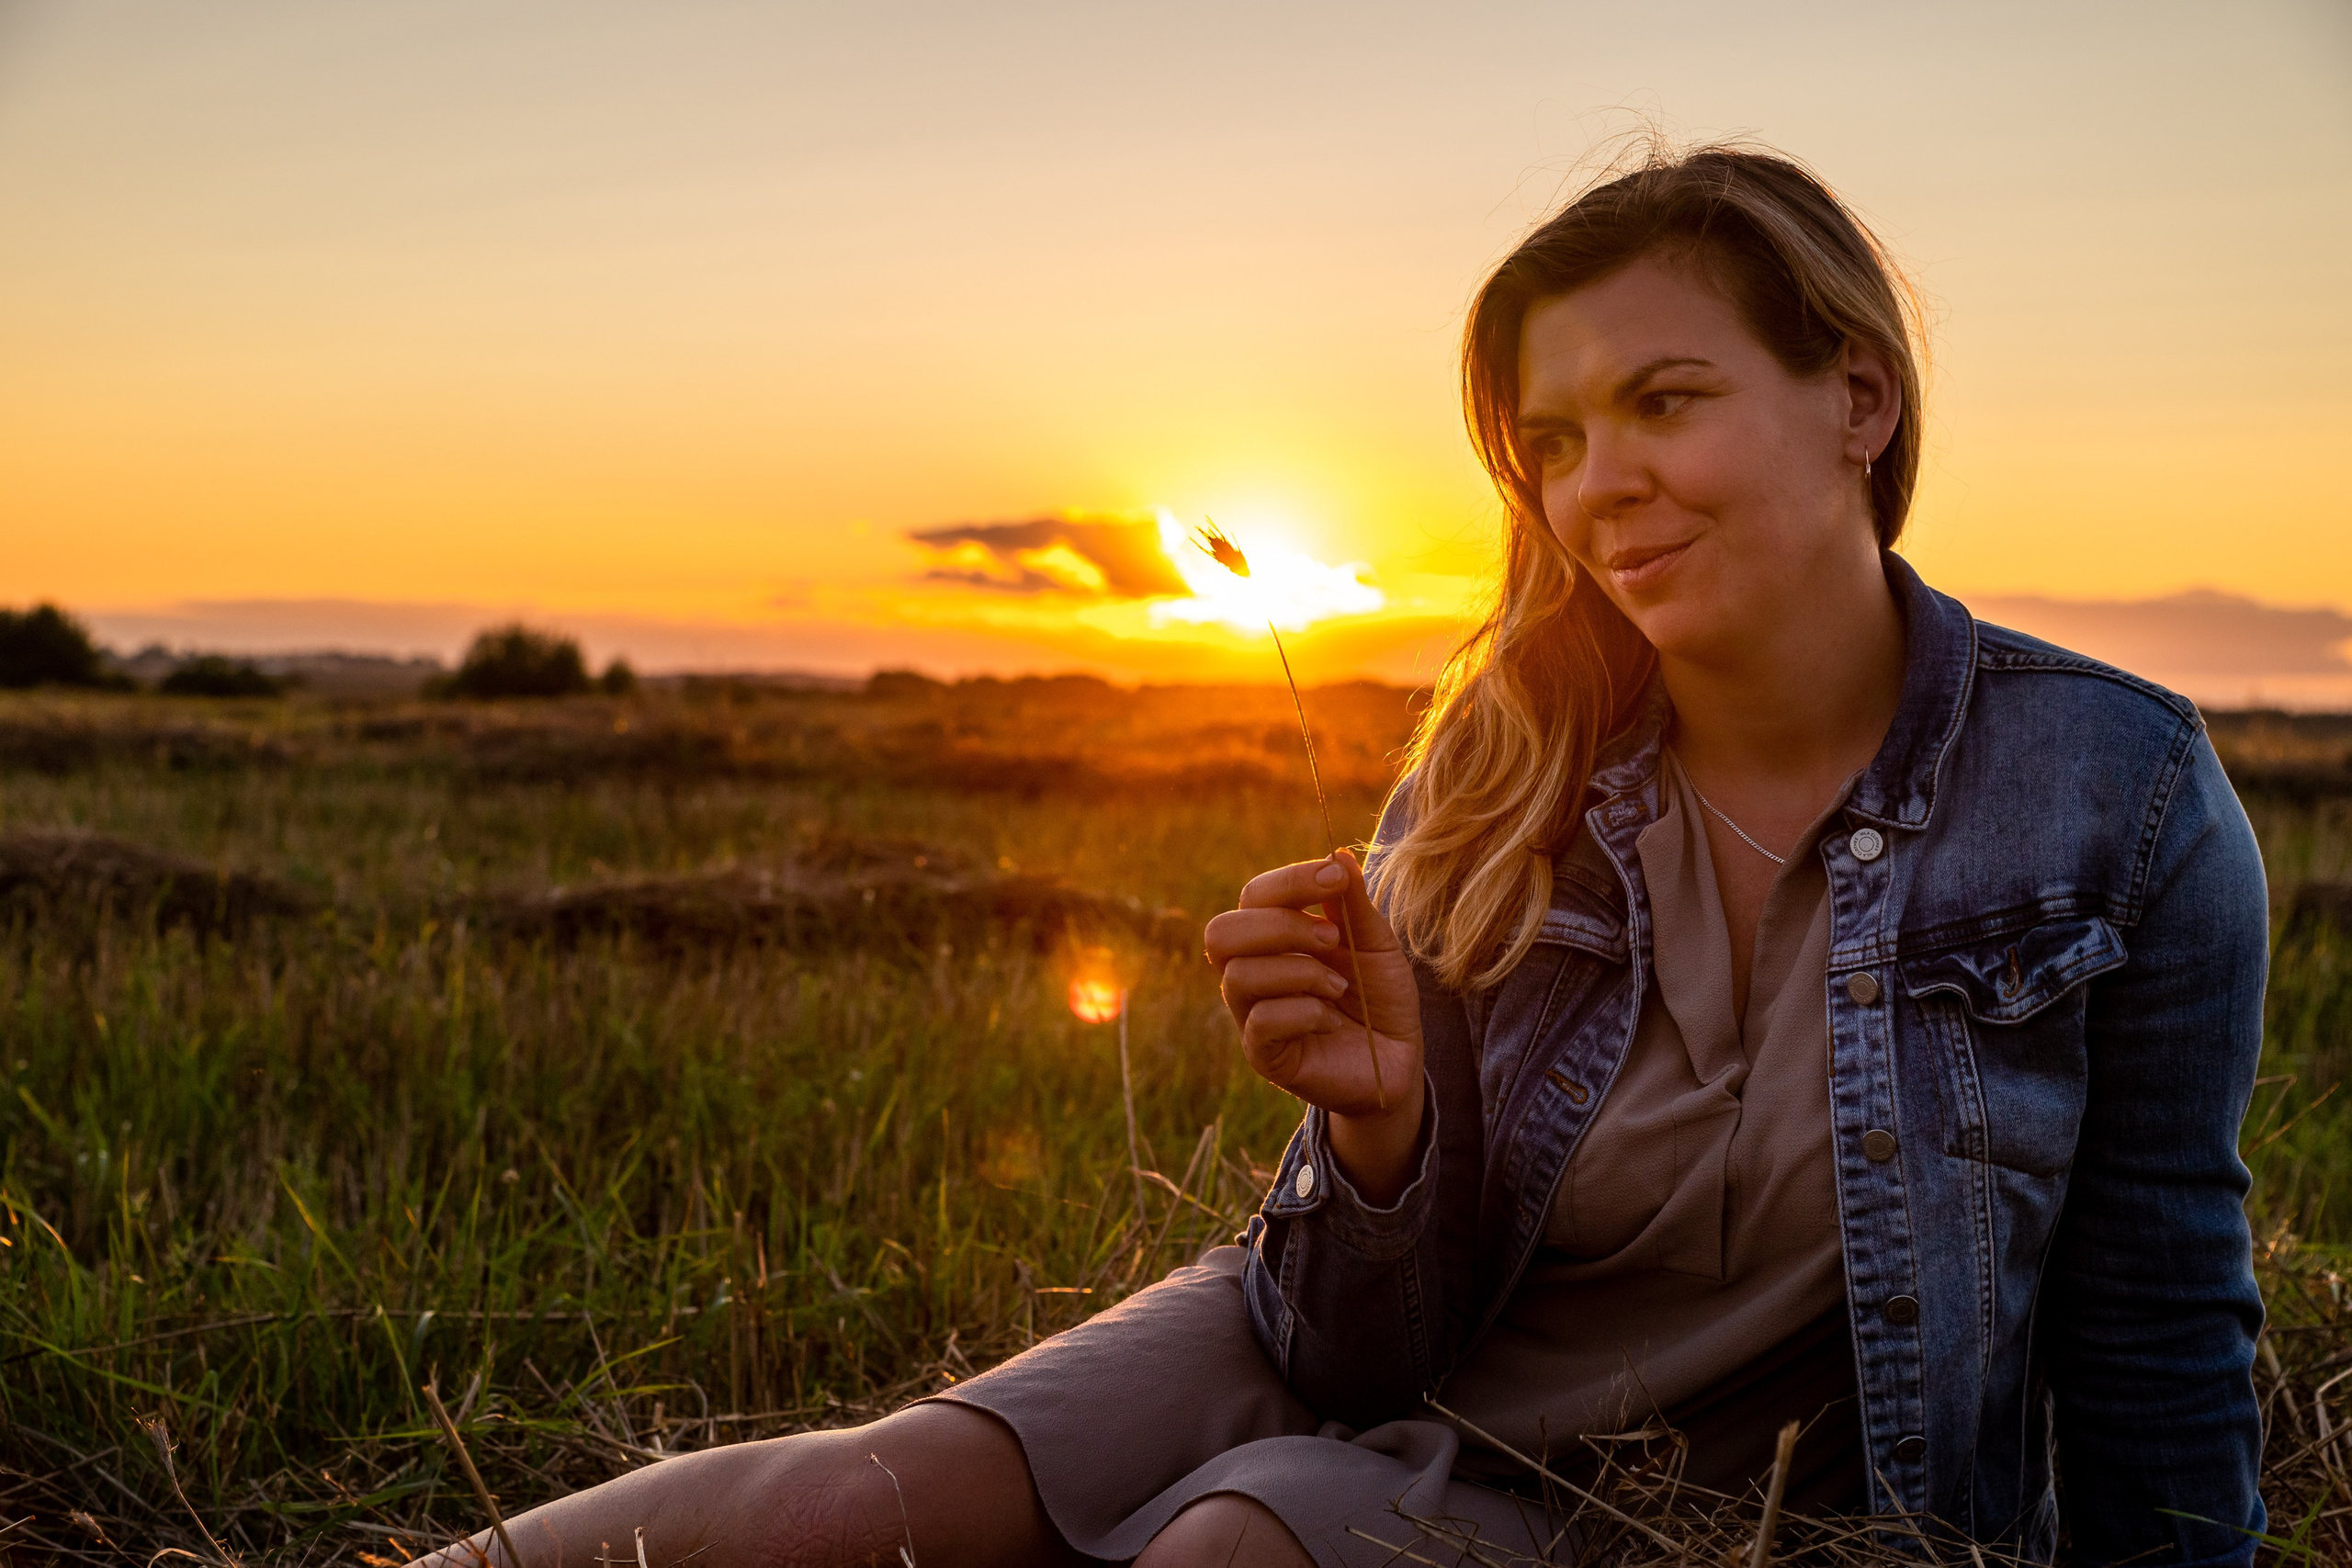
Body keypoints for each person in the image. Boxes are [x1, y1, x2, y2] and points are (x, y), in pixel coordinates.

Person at [414, 144, 2269, 1568]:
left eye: (1663, 398)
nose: (1592, 480)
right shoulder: (1501, 762)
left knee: (1240, 1544)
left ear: (1854, 401)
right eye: (1547, 436)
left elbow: (2156, 1319)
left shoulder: (2108, 793)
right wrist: (1380, 1134)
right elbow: (1344, 1334)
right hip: (1365, 1345)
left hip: (1655, 1491)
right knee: (859, 1499)